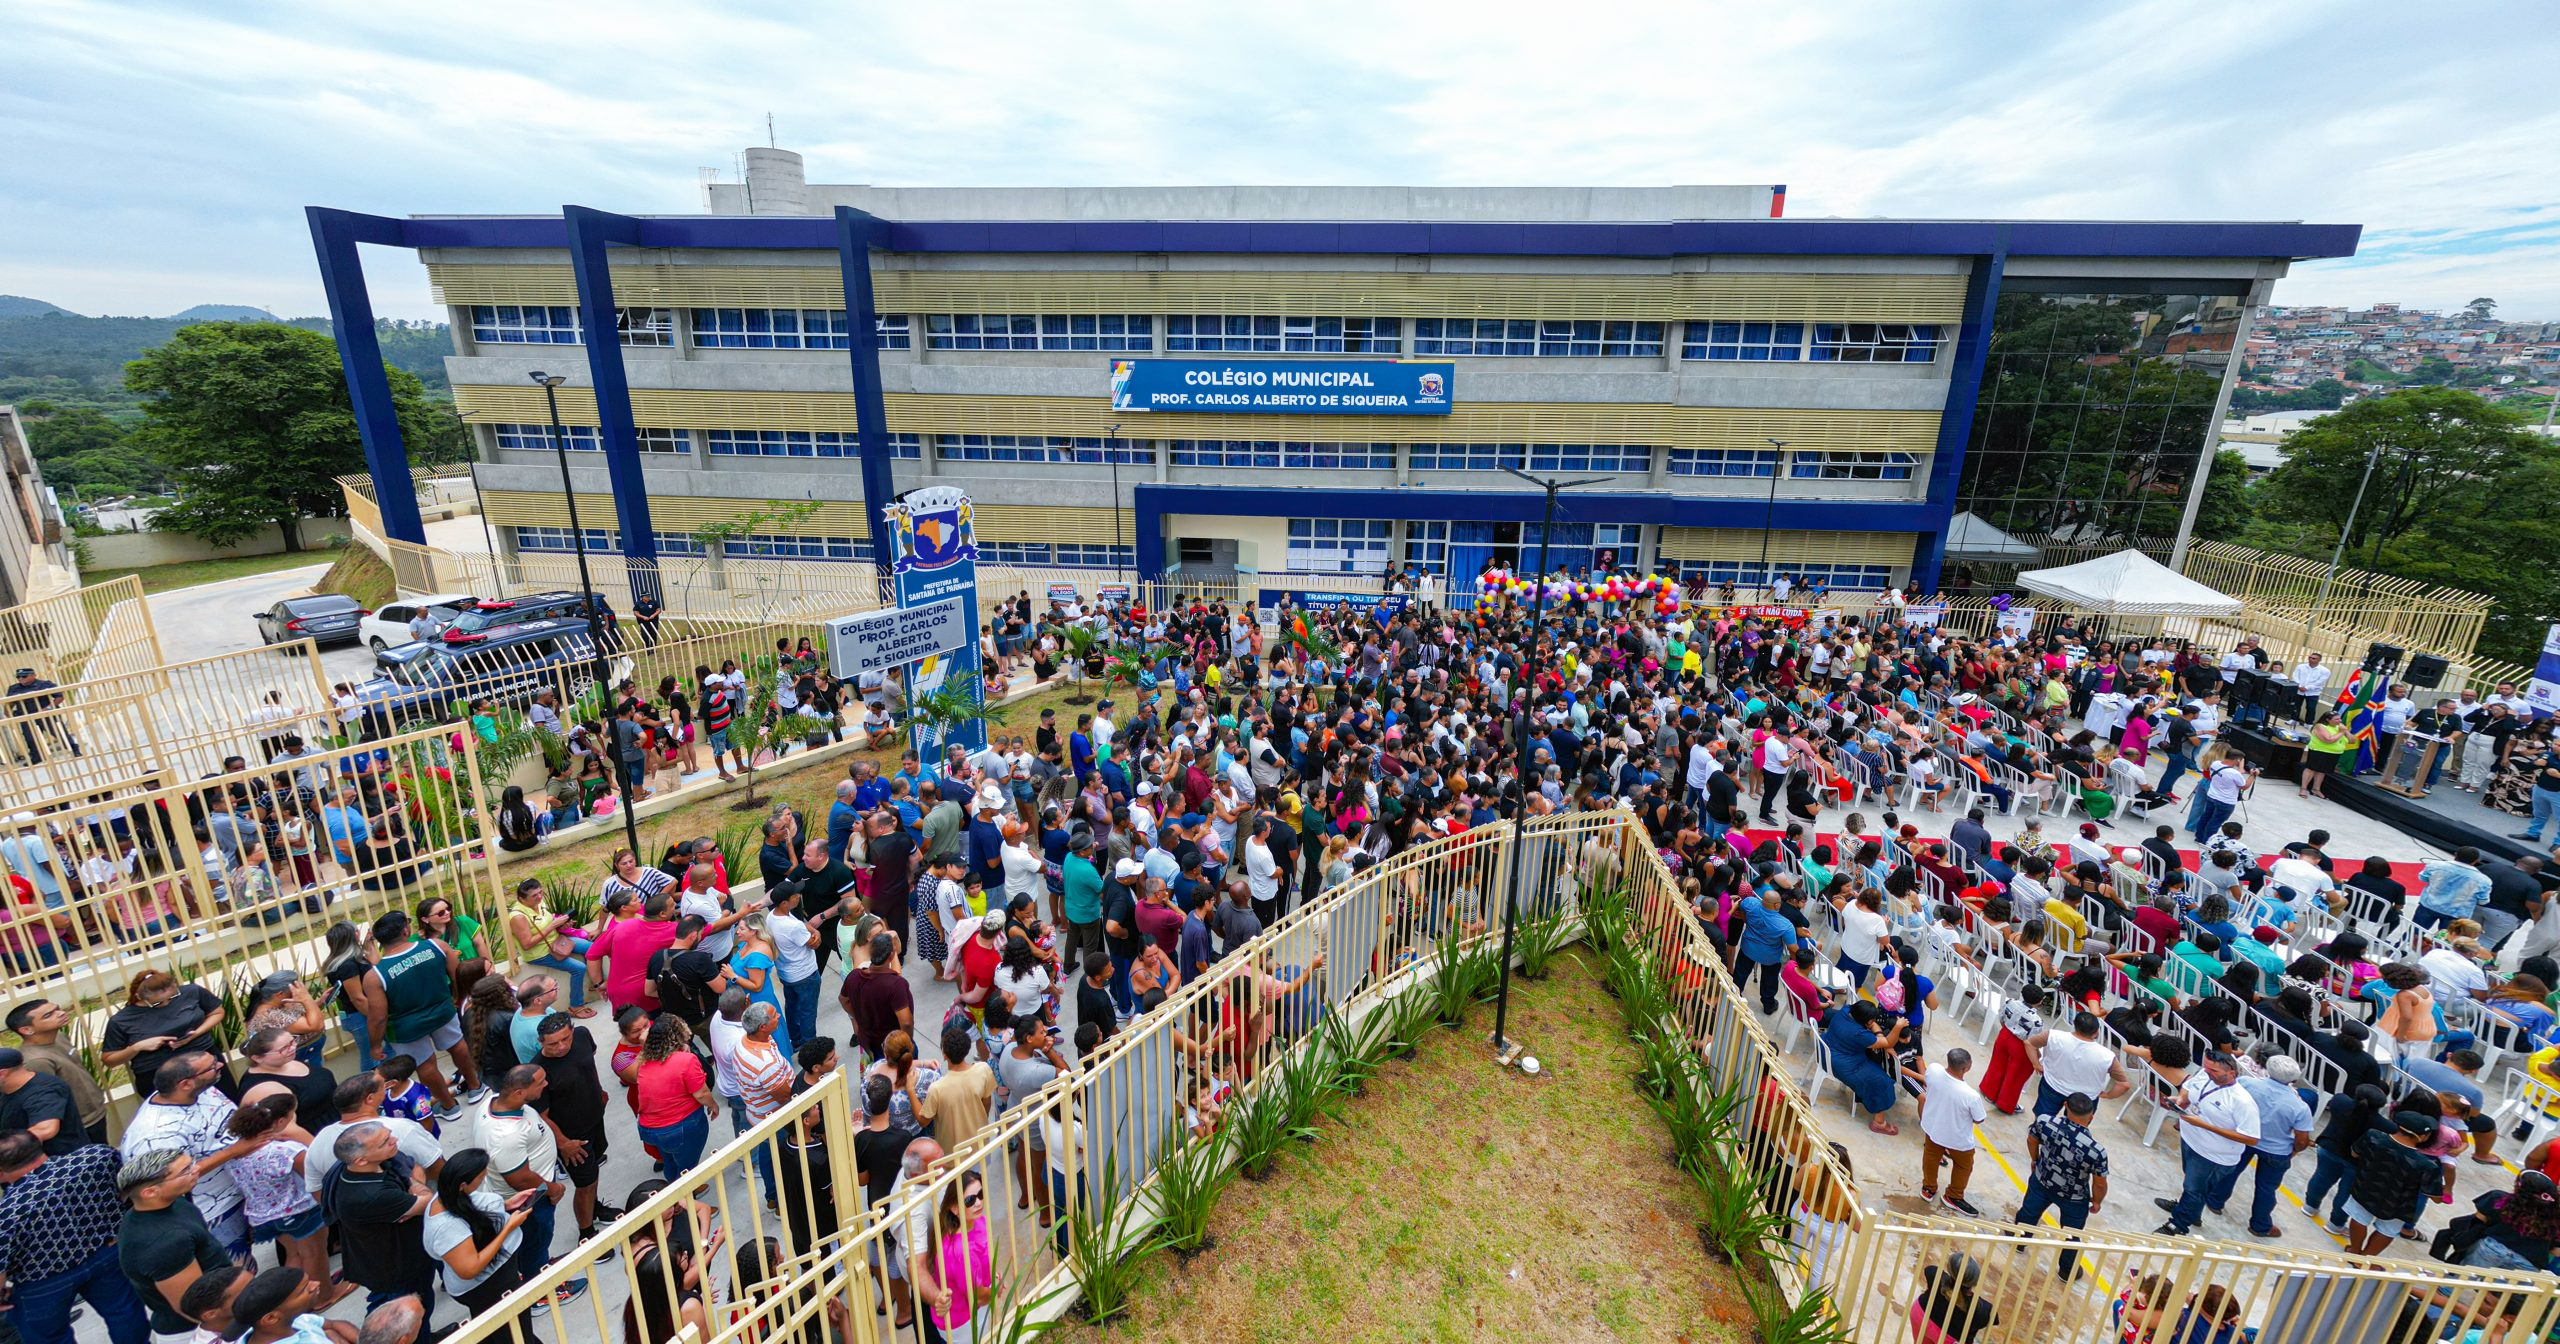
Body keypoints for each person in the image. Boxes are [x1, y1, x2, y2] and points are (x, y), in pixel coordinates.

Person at [119, 1053, 275, 1261]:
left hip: (241, 1190)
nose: (220, 1065)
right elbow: (166, 1180)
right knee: (236, 1273)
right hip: (212, 1210)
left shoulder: (202, 1090)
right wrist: (236, 1150)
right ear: (184, 1084)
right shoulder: (157, 1134)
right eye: (211, 1067)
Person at [0, 1130, 148, 1344]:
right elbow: (127, 1187)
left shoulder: (8, 1211)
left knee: (50, 1337)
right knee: (125, 1314)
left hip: (42, 1282)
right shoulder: (97, 1157)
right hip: (106, 1253)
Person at [478, 1064, 587, 1311]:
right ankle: (539, 1291)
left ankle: (536, 1266)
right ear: (518, 1092)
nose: (546, 1084)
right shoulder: (505, 1135)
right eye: (540, 1082)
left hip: (528, 1195)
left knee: (532, 1244)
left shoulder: (493, 1101)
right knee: (535, 1239)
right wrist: (552, 1189)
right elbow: (519, 1178)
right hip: (529, 1200)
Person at [362, 912, 477, 1120]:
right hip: (443, 1011)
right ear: (406, 931)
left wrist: (375, 1045)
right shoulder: (437, 947)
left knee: (425, 1065)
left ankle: (449, 1106)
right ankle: (476, 1086)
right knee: (458, 1045)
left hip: (406, 1027)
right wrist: (458, 998)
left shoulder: (375, 975)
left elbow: (377, 1017)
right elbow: (458, 975)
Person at [116, 1150, 235, 1341]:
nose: (195, 1170)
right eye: (185, 1171)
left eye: (191, 1163)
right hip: (197, 1331)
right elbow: (193, 1306)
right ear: (150, 1192)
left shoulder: (173, 1203)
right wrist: (234, 1332)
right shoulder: (163, 1243)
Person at [2152, 1049, 2260, 1237]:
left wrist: (2206, 1126)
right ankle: (2190, 1211)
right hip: (2191, 1140)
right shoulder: (2205, 1073)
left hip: (2213, 1155)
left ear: (2231, 1073)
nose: (2208, 1073)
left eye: (2214, 1072)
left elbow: (2251, 1138)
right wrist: (2181, 1099)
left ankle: (2178, 1224)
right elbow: (2189, 1085)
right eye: (2207, 1068)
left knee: (2194, 1189)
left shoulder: (2242, 1102)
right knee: (2192, 1183)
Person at [422, 1150, 530, 1316]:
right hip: (488, 1286)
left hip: (498, 1275)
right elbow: (470, 1269)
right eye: (480, 1177)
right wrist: (508, 1227)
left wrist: (506, 1205)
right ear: (462, 1185)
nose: (483, 1179)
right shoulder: (447, 1228)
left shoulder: (449, 1195)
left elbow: (471, 1210)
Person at [2015, 1092, 2108, 1280]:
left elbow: (2032, 1140)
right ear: (2091, 1116)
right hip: (2073, 1196)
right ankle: (2067, 1270)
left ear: (2065, 1105)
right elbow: (2099, 1182)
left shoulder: (2044, 1122)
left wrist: (2035, 1160)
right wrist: (2097, 1201)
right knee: (2072, 1234)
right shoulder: (2096, 1151)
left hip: (2042, 1180)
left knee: (2029, 1211)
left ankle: (2019, 1240)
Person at [102, 973, 227, 1110]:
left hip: (204, 1064)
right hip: (159, 1074)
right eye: (158, 1003)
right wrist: (137, 1047)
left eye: (172, 997)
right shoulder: (121, 1021)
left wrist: (196, 1033)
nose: (167, 1003)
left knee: (225, 1106)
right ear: (140, 998)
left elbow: (217, 1012)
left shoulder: (192, 992)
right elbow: (109, 1060)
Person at [2229, 1055, 2314, 1239]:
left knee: (2230, 1171)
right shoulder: (2300, 1107)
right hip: (2277, 1150)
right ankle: (2260, 1226)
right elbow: (2301, 1140)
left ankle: (2214, 1201)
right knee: (2266, 1188)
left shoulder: (2247, 1083)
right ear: (2294, 1079)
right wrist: (2294, 1151)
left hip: (2246, 1138)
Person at [2341, 1111, 2447, 1256]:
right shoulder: (2427, 1165)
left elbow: (2355, 1153)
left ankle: (2354, 1250)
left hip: (2366, 1188)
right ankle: (2366, 1259)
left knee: (2359, 1218)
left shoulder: (2373, 1136)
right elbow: (2434, 1196)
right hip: (2398, 1204)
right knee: (2387, 1230)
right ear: (2423, 1136)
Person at [3, 1002, 108, 1139]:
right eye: (48, 1015)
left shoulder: (59, 1037)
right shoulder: (36, 1061)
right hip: (80, 1125)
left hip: (96, 1112)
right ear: (27, 1030)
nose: (61, 1013)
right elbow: (47, 1099)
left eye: (57, 1009)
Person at [1907, 1047, 1988, 1217]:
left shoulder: (1933, 1070)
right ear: (1966, 1068)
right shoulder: (1970, 1096)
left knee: (1930, 1156)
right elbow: (1979, 1119)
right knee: (1963, 1165)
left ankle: (1928, 1188)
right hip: (1956, 1138)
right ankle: (1954, 1196)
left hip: (1933, 1127)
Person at [631, 1016, 713, 1182]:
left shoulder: (645, 1059)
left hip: (651, 1128)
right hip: (679, 1127)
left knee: (670, 1162)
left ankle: (674, 1192)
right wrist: (714, 1106)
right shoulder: (685, 1060)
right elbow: (701, 1094)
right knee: (687, 1173)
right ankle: (686, 1203)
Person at [0, 1047, 93, 1156]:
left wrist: (5, 1145)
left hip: (63, 1165)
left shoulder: (42, 1091)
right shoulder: (6, 1088)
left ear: (2, 1073)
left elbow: (46, 1129)